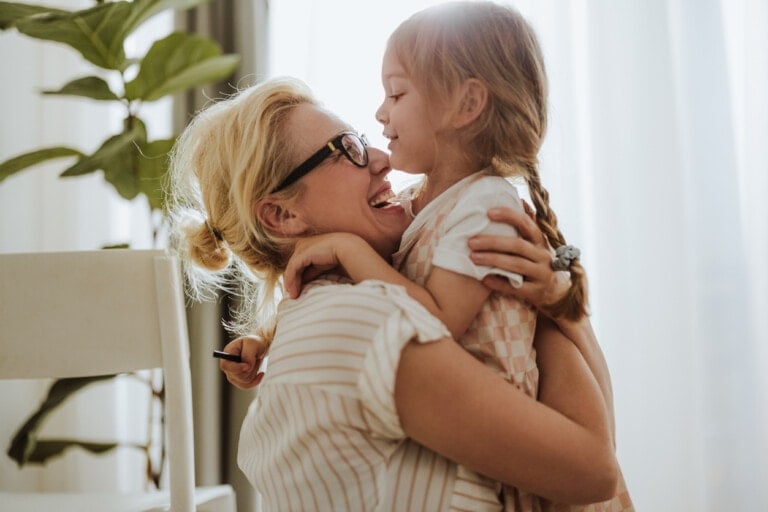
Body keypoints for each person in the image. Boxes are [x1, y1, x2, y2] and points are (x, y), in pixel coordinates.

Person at [168, 76, 618, 511]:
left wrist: (556, 297)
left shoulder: (344, 302)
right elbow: (595, 472)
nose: (383, 158)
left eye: (364, 140)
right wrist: (530, 299)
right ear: (282, 215)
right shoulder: (358, 322)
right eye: (347, 149)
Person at [279, 2, 633, 510]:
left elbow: (436, 318)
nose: (380, 113)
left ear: (466, 104)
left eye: (397, 93)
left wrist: (350, 249)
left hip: (524, 456)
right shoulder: (419, 204)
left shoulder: (484, 207)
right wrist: (268, 340)